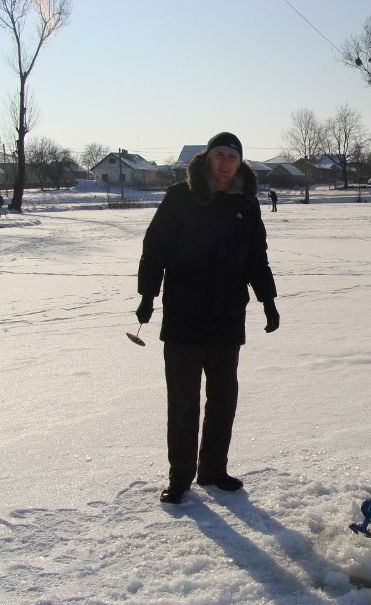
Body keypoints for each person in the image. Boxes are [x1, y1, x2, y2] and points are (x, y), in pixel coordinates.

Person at [136, 132, 280, 505]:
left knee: (222, 397)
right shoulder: (180, 197)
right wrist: (148, 295)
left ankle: (213, 469)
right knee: (183, 400)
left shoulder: (246, 204)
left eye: (232, 156)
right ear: (207, 159)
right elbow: (155, 248)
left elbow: (256, 258)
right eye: (219, 155)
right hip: (184, 315)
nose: (225, 162)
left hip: (227, 315)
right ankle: (180, 476)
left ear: (239, 163)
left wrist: (268, 300)